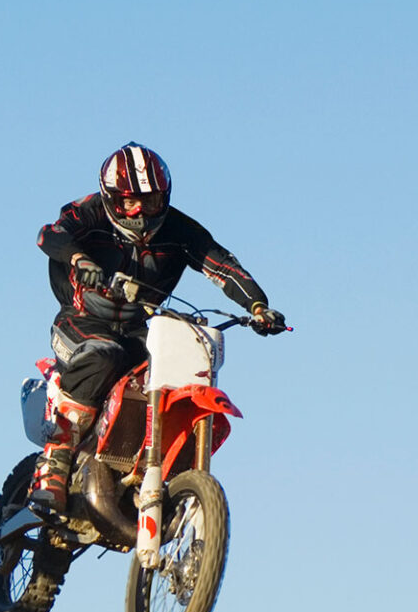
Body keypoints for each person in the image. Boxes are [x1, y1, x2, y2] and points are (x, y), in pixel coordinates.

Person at [28, 142, 284, 517]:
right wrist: (78, 257)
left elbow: (222, 265)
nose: (139, 211)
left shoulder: (181, 230)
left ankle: (147, 471)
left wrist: (258, 306)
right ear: (110, 198)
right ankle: (55, 460)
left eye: (149, 202)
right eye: (129, 201)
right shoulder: (89, 212)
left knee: (170, 374)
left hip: (137, 330)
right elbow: (49, 234)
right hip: (80, 322)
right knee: (104, 356)